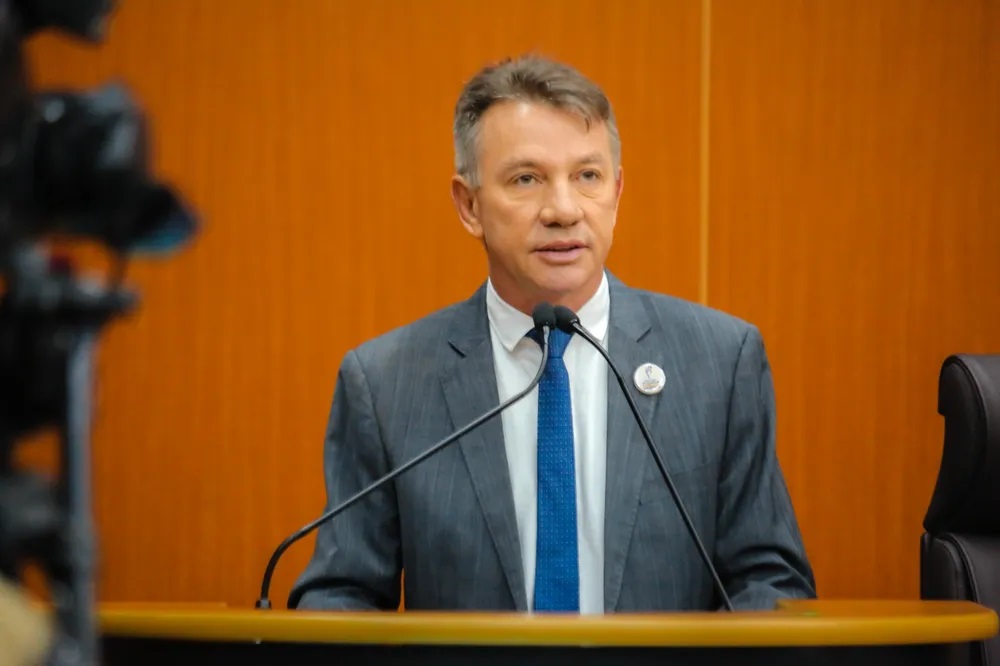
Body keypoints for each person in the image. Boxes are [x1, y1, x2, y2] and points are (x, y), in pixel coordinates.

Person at [289, 54, 816, 613]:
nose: (563, 210)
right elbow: (340, 597)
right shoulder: (387, 383)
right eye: (526, 179)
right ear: (469, 205)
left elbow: (768, 584)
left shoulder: (718, 362)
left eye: (587, 176)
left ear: (616, 192)